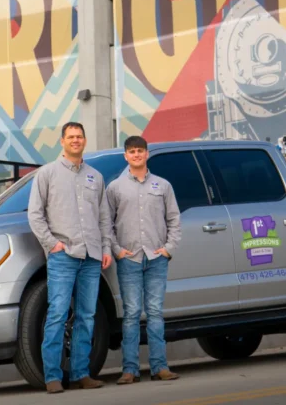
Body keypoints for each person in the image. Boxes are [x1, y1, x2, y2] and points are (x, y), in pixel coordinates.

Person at [27, 122, 114, 394]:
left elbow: (103, 217)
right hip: (63, 256)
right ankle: (52, 376)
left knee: (87, 316)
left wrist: (106, 249)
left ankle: (81, 373)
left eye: (79, 136)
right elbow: (35, 215)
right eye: (71, 137)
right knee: (57, 315)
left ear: (84, 141)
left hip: (91, 256)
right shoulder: (47, 174)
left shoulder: (95, 177)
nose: (76, 140)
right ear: (62, 141)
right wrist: (52, 245)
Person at [106, 135, 181, 385]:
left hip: (157, 258)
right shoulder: (115, 188)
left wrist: (168, 249)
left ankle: (160, 367)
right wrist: (117, 250)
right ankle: (130, 370)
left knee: (156, 313)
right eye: (132, 151)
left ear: (147, 154)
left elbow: (174, 220)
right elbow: (106, 224)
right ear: (126, 156)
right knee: (130, 314)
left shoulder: (163, 185)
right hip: (129, 259)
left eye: (140, 151)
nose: (136, 155)